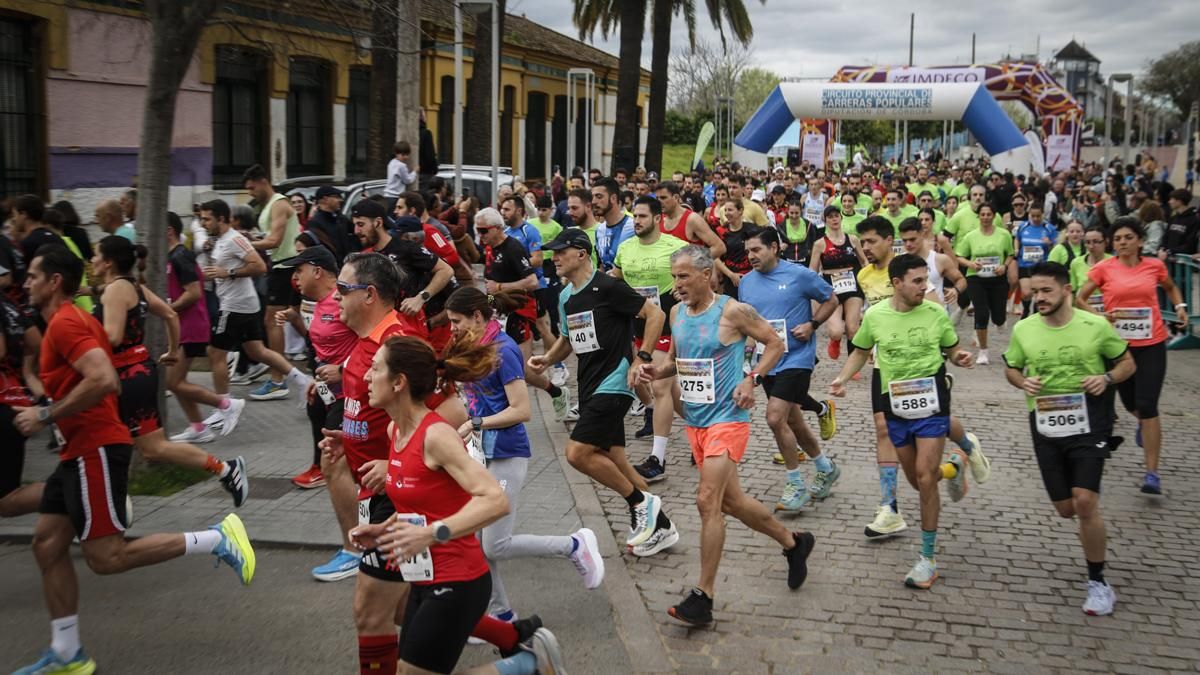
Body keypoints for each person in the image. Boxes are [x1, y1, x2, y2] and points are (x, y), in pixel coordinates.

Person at [12, 245, 255, 675]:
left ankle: (218, 538)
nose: (24, 282)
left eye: (32, 275)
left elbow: (105, 379)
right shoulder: (70, 321)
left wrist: (47, 413)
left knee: (107, 558)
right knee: (47, 544)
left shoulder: (68, 323)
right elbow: (111, 374)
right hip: (80, 450)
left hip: (95, 450)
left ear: (53, 282)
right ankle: (68, 654)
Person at [342, 333, 564, 675]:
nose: (366, 377)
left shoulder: (436, 436)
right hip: (424, 577)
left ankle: (527, 664)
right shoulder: (395, 432)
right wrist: (383, 529)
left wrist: (433, 533)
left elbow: (495, 500)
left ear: (399, 382)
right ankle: (526, 661)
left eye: (375, 369)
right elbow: (420, 501)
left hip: (459, 582)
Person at [636, 245, 816, 625]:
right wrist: (656, 372)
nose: (677, 284)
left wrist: (752, 380)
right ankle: (793, 543)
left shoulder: (732, 311)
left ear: (706, 275)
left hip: (728, 420)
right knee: (731, 502)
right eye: (674, 276)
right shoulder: (676, 312)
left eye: (683, 276)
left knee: (707, 501)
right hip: (698, 423)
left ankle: (703, 597)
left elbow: (775, 344)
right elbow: (677, 363)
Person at [444, 286, 604, 625]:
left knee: (494, 546)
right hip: (480, 453)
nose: (452, 328)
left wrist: (476, 422)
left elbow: (522, 410)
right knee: (473, 539)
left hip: (507, 454)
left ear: (476, 316)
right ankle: (499, 612)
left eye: (456, 321)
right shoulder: (472, 345)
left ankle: (573, 545)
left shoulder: (503, 351)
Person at [528, 228, 681, 557]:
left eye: (561, 251)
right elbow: (569, 339)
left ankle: (640, 504)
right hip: (588, 384)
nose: (554, 258)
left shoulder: (608, 286)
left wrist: (641, 358)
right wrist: (548, 358)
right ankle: (662, 528)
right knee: (616, 461)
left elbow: (655, 314)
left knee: (577, 453)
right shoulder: (566, 296)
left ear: (582, 254)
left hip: (615, 383)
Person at [830, 253, 976, 589]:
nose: (925, 287)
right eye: (917, 281)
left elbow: (951, 350)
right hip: (896, 408)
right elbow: (861, 351)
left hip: (932, 404)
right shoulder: (876, 316)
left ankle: (928, 558)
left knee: (925, 479)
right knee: (917, 480)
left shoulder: (936, 314)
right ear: (897, 283)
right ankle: (954, 467)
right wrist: (842, 378)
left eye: (926, 280)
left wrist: (960, 356)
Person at [1003, 261, 1134, 616]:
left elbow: (1127, 364)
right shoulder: (1025, 329)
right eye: (1035, 291)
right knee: (1066, 508)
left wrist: (1106, 380)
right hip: (1045, 421)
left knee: (1085, 500)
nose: (1039, 297)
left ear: (1066, 291)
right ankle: (1091, 541)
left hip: (1091, 419)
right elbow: (1011, 367)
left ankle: (1098, 582)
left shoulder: (1095, 326)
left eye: (1047, 291)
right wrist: (1022, 381)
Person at [92, 234, 249, 506]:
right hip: (136, 373)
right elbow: (170, 314)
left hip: (126, 378)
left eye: (96, 255)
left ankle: (109, 501)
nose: (91, 259)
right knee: (146, 448)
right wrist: (172, 351)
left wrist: (80, 346)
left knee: (138, 445)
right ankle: (224, 469)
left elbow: (113, 337)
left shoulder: (116, 290)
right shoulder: (135, 287)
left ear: (107, 262)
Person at [1076, 217, 1184, 495]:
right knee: (1130, 403)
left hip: (1152, 343)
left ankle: (1152, 473)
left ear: (1139, 240)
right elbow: (1080, 298)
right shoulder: (1104, 268)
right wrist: (1099, 315)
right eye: (1118, 239)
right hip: (1119, 347)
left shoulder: (1154, 266)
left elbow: (1170, 287)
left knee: (1148, 405)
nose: (1122, 243)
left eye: (1128, 237)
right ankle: (1141, 420)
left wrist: (1180, 306)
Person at [740, 228, 840, 511]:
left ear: (774, 247)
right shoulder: (746, 283)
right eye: (748, 251)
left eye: (756, 250)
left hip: (797, 358)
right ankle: (826, 466)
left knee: (774, 418)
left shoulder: (799, 275)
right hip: (767, 360)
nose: (751, 256)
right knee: (793, 420)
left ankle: (796, 484)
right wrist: (748, 357)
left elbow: (831, 299)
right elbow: (749, 323)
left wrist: (813, 325)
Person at [198, 199, 311, 400]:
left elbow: (259, 266)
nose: (203, 223)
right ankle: (303, 380)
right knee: (257, 351)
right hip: (242, 303)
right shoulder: (222, 239)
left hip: (235, 305)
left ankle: (225, 406)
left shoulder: (234, 239)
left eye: (207, 219)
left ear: (221, 219)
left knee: (215, 354)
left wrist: (228, 272)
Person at [272, 246, 359, 499]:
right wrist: (318, 379)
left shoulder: (344, 300)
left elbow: (373, 342)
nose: (295, 278)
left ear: (318, 271)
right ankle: (320, 467)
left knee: (335, 453)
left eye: (299, 271)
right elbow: (320, 343)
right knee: (315, 407)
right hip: (328, 385)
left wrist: (343, 370)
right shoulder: (316, 303)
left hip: (351, 390)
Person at [614, 197, 688, 483]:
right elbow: (617, 278)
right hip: (636, 324)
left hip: (667, 322)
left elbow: (696, 278)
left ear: (657, 218)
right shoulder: (625, 248)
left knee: (660, 387)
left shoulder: (675, 247)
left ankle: (658, 459)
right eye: (635, 217)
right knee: (668, 391)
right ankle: (701, 431)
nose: (637, 221)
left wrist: (685, 296)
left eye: (643, 216)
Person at [163, 211, 246, 443]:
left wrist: (166, 310)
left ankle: (227, 404)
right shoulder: (170, 256)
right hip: (181, 325)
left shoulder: (181, 256)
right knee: (176, 382)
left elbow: (194, 293)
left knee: (173, 382)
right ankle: (198, 428)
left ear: (168, 230)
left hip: (192, 326)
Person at [0, 283, 42, 519]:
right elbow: (36, 344)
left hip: (4, 405)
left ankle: (76, 494)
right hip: (15, 401)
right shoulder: (10, 305)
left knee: (6, 499)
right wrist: (25, 372)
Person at [954, 203, 1013, 364]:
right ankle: (983, 351)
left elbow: (1010, 254)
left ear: (994, 216)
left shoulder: (1003, 235)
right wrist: (971, 265)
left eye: (988, 214)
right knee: (981, 314)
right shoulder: (970, 236)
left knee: (998, 317)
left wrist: (1004, 266)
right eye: (982, 214)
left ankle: (1000, 321)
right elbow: (959, 256)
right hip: (976, 278)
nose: (985, 217)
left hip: (997, 279)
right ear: (978, 216)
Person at [809, 205, 866, 361]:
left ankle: (852, 361)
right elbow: (812, 271)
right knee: (835, 331)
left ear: (841, 218)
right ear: (825, 220)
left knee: (852, 328)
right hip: (831, 288)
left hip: (852, 286)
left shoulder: (853, 239)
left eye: (836, 216)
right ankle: (835, 341)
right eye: (830, 217)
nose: (834, 219)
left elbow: (864, 262)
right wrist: (811, 293)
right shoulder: (820, 244)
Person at [898, 218, 966, 307]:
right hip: (910, 316)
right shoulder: (899, 261)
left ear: (922, 234)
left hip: (936, 315)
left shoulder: (940, 259)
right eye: (904, 240)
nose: (908, 244)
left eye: (912, 239)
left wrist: (955, 290)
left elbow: (961, 280)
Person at [1011, 204, 1058, 317]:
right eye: (1033, 216)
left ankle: (1036, 313)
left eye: (1038, 216)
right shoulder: (1023, 226)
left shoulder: (1049, 228)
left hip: (1041, 266)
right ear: (1029, 215)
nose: (1036, 219)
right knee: (1027, 293)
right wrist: (1016, 249)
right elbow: (1017, 238)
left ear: (1042, 215)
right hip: (1025, 264)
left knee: (1038, 292)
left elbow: (1057, 247)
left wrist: (1050, 243)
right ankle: (1026, 309)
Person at [716, 198, 763, 295]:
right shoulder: (721, 231)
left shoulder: (753, 229)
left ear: (740, 211)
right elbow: (715, 257)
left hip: (753, 277)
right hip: (731, 279)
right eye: (725, 210)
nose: (727, 213)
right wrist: (731, 275)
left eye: (730, 210)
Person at [1070, 226, 1111, 311]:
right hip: (1084, 313)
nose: (1091, 246)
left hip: (1108, 312)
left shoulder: (1114, 262)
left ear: (1106, 242)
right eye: (1087, 242)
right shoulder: (1076, 263)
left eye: (1096, 242)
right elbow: (1072, 292)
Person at [383, 141, 417, 212]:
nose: (405, 157)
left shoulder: (392, 162)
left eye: (407, 154)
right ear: (396, 154)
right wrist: (414, 171)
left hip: (387, 195)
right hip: (395, 196)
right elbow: (408, 180)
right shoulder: (401, 166)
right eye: (403, 154)